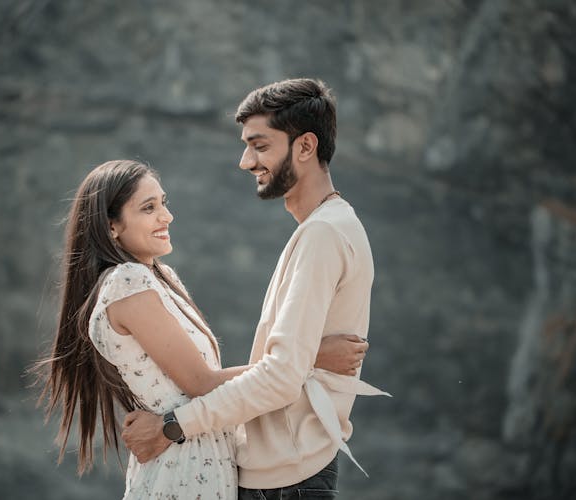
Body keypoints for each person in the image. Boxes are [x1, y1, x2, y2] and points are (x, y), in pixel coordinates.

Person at [34, 159, 367, 499]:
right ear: (112, 227)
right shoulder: (127, 284)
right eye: (148, 208)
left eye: (163, 203)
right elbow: (202, 383)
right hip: (181, 469)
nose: (166, 216)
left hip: (203, 459)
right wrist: (310, 357)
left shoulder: (159, 279)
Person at [122, 78, 389, 499]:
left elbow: (281, 377)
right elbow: (291, 366)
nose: (246, 161)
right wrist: (310, 357)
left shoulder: (323, 235)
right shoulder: (327, 228)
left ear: (305, 146)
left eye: (260, 146)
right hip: (287, 476)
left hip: (288, 484)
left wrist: (172, 427)